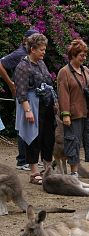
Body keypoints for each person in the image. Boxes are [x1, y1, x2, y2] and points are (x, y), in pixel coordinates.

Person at [56, 39, 89, 185]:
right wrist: (65, 114)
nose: (84, 58)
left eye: (85, 55)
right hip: (74, 114)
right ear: (73, 55)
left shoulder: (86, 70)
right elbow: (63, 94)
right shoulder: (64, 72)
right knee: (72, 142)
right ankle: (74, 173)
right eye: (81, 55)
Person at [14, 33, 56, 185]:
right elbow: (21, 91)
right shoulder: (22, 66)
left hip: (46, 104)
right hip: (32, 104)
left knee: (48, 136)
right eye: (41, 49)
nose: (44, 52)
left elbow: (47, 82)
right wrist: (27, 110)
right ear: (32, 49)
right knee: (33, 138)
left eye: (44, 49)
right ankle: (34, 172)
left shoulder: (41, 63)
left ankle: (48, 169)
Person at [0, 28, 40, 171]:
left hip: (33, 96)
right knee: (23, 125)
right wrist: (10, 84)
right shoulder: (19, 53)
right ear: (27, 40)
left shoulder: (33, 56)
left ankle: (32, 158)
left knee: (33, 125)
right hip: (23, 96)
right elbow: (0, 64)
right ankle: (22, 160)